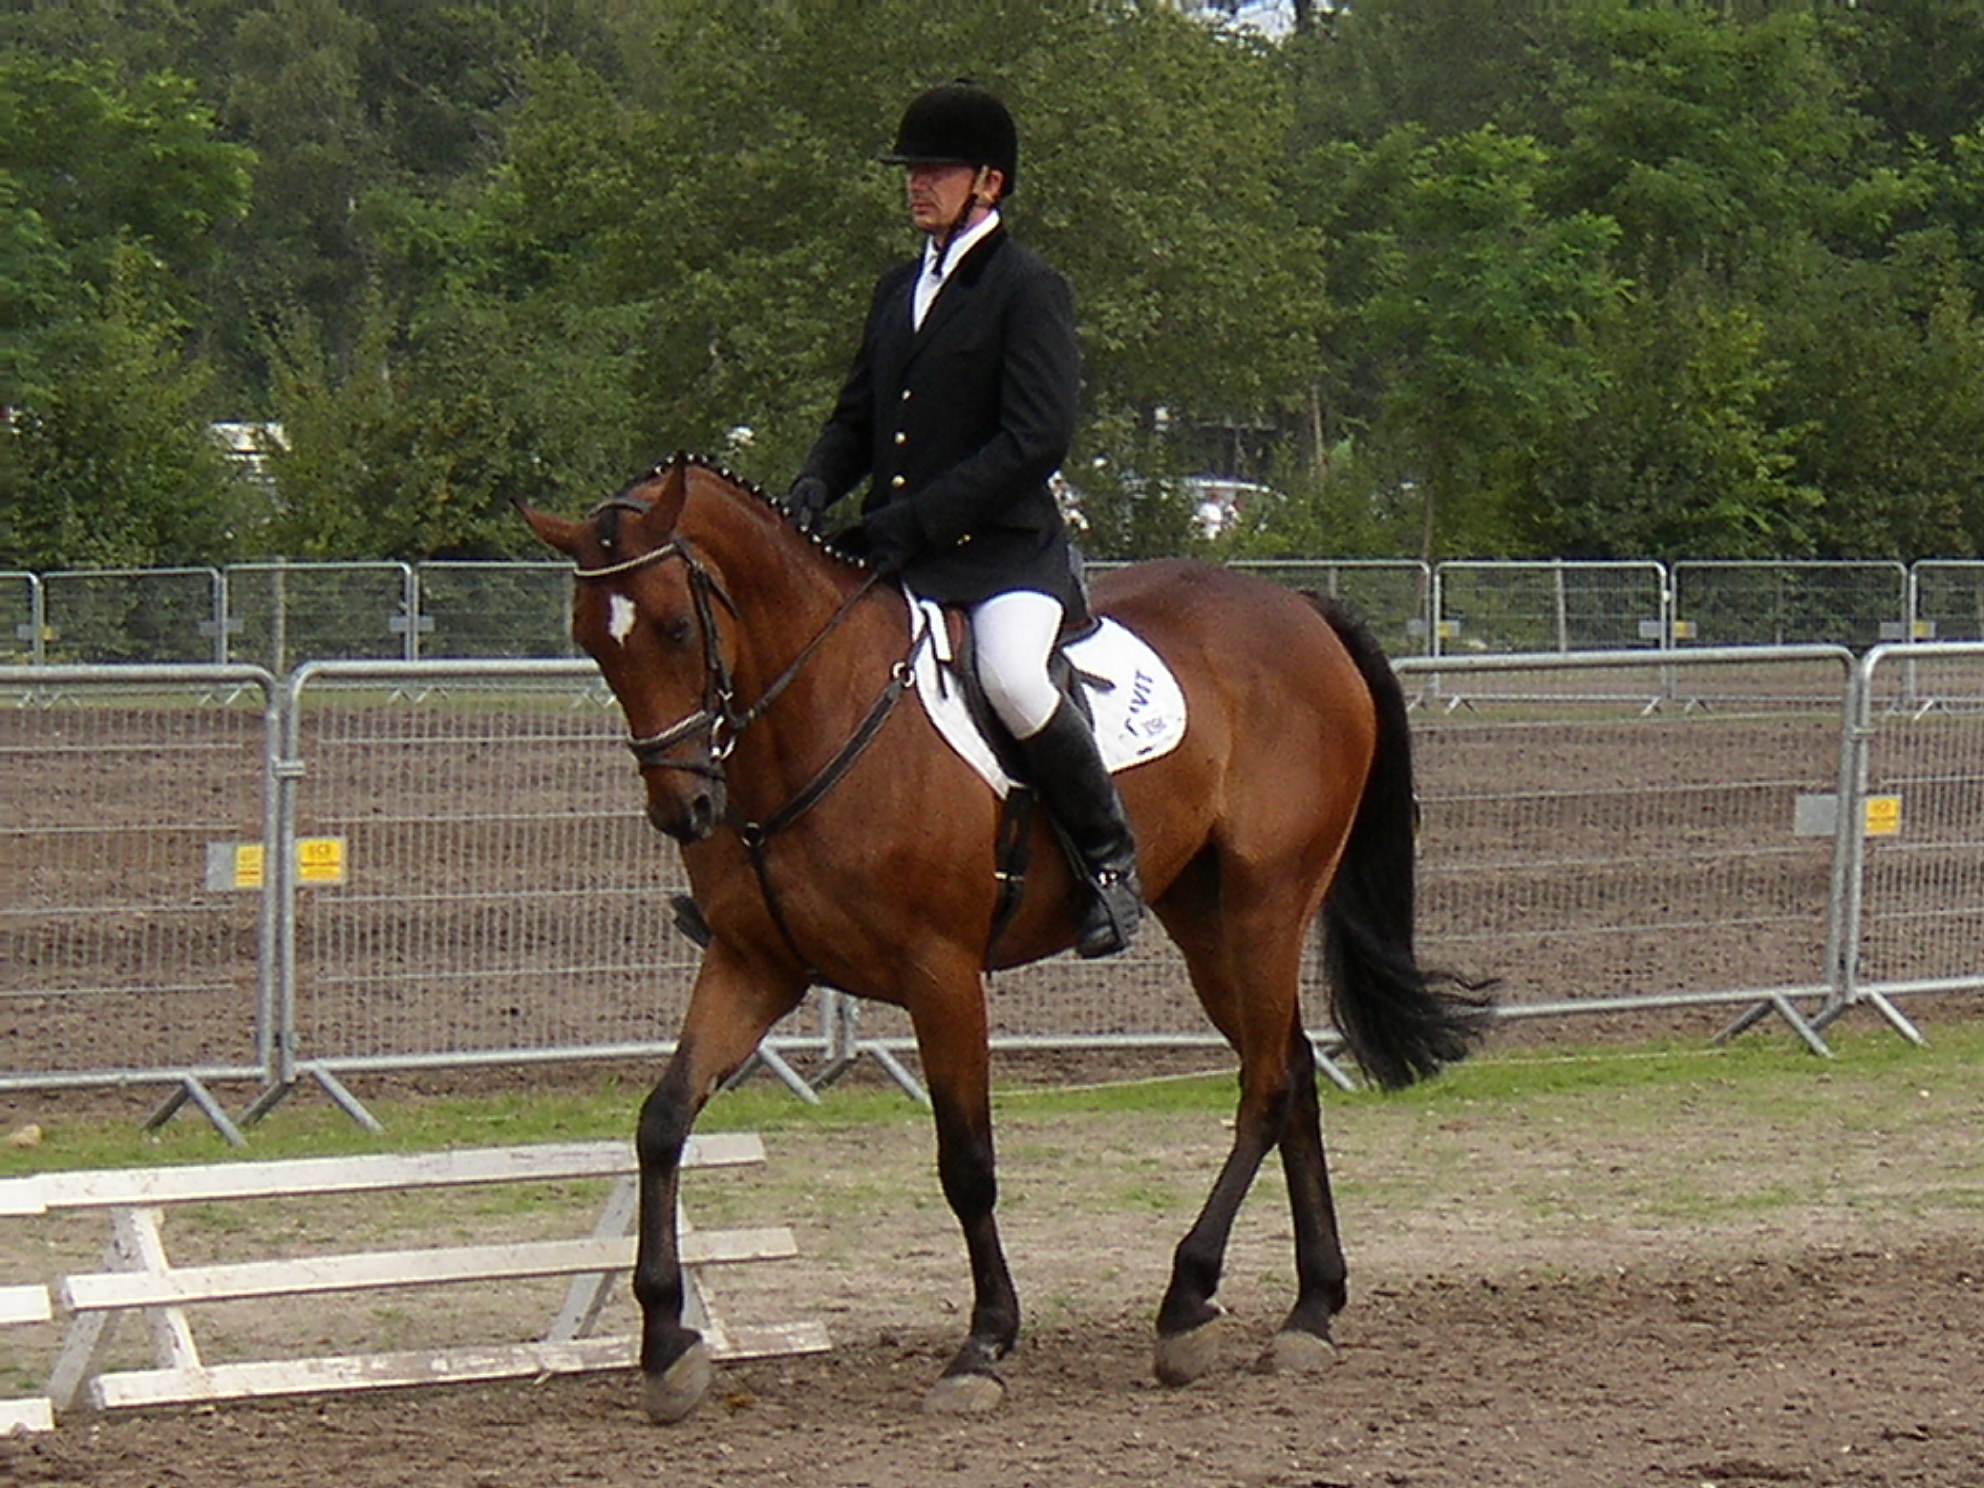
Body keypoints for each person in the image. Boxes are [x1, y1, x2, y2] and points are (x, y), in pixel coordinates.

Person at [784, 80, 1142, 958]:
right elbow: (857, 417)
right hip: (903, 554)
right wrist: (814, 483)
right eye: (912, 171)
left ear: (989, 182)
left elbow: (1035, 438)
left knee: (1013, 677)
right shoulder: (898, 288)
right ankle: (774, 884)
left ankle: (1107, 859)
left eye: (936, 170)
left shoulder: (1028, 288)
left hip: (1001, 559)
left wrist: (912, 522)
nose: (917, 184)